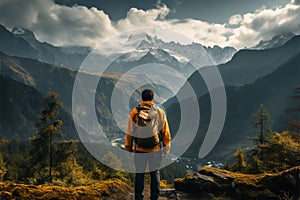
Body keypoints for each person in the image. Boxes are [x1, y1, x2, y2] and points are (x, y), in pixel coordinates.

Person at [125, 89, 171, 200]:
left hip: (140, 149)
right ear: (152, 98)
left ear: (142, 98)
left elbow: (130, 132)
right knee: (155, 174)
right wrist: (166, 147)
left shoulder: (135, 112)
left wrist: (129, 148)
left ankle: (138, 198)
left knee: (139, 174)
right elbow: (165, 132)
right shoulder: (159, 112)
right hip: (155, 149)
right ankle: (154, 198)